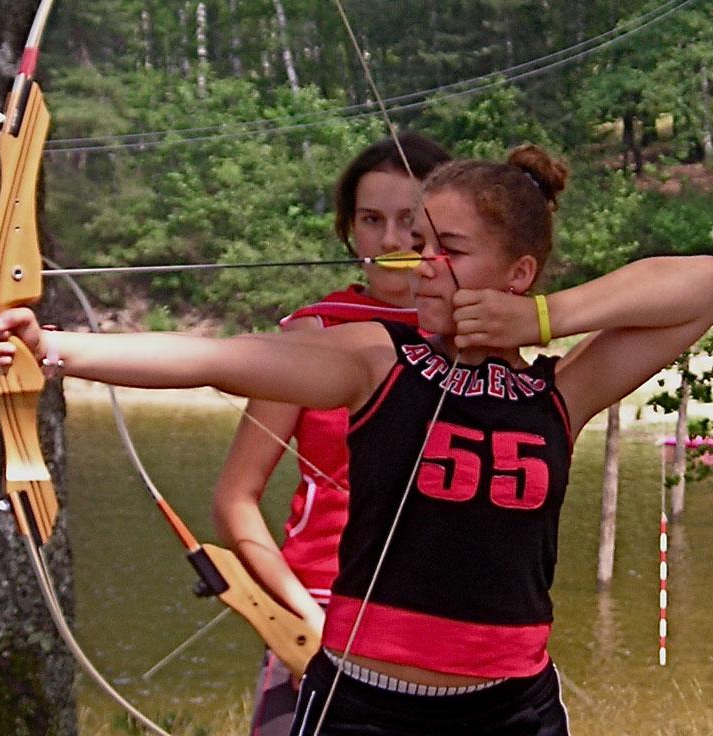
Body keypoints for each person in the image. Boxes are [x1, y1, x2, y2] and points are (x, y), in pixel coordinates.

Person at [0, 143, 713, 735]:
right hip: (365, 704)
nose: (418, 264)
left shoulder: (560, 393)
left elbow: (707, 282)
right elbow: (217, 360)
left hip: (512, 709)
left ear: (519, 270)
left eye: (449, 249)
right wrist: (53, 346)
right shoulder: (376, 360)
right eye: (417, 241)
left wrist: (542, 321)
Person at [211, 132, 450, 735]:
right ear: (349, 230)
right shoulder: (314, 334)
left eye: (411, 221)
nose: (392, 242)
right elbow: (236, 498)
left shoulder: (480, 336)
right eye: (372, 220)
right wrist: (301, 620)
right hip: (320, 606)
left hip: (447, 621)